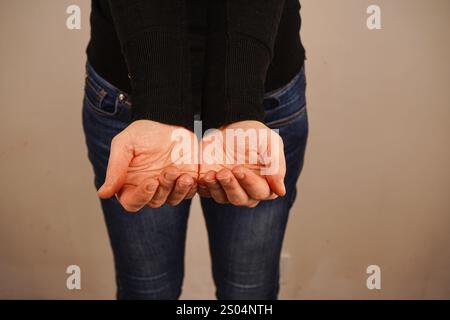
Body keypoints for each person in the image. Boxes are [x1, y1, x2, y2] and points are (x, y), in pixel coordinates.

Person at [82, 0, 308, 300]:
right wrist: (159, 107)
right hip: (130, 96)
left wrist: (238, 105)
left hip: (262, 100)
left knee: (249, 294)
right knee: (147, 291)